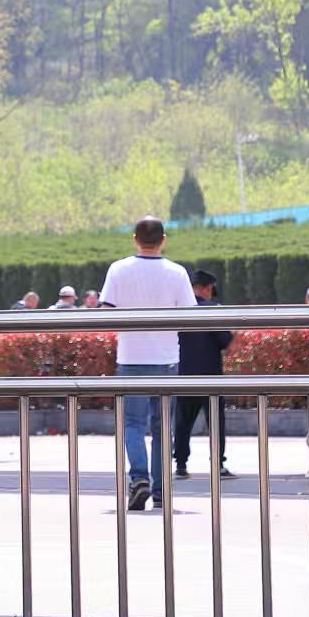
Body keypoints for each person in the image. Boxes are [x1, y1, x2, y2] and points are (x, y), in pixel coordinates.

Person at [100, 216, 195, 511]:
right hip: (166, 359)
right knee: (162, 426)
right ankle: (161, 488)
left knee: (132, 423)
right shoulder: (177, 272)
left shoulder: (118, 269)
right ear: (163, 240)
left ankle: (139, 478)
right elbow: (190, 316)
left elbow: (105, 312)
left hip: (131, 358)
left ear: (135, 239)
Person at [173, 269, 234, 482]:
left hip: (185, 374)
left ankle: (181, 465)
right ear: (207, 288)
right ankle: (218, 465)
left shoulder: (179, 310)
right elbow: (225, 341)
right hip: (211, 376)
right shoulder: (213, 309)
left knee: (182, 422)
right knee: (215, 423)